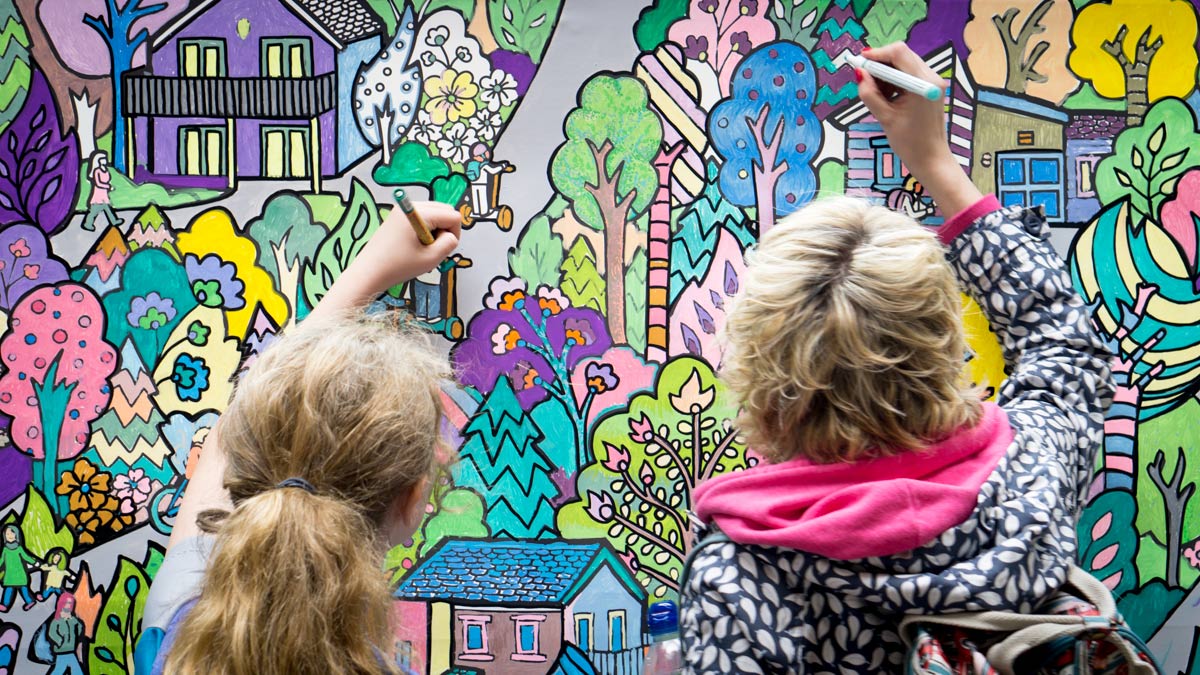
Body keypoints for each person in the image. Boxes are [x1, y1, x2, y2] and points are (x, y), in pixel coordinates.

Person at [678, 43, 1114, 674]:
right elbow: (1062, 338)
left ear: (763, 374)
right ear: (944, 338)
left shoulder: (743, 572)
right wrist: (935, 162)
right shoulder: (1031, 471)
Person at [136, 201, 463, 675]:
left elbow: (227, 439)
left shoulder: (174, 632)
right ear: (414, 500)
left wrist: (366, 272)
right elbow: (234, 440)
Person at [0, 523, 40, 612]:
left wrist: (35, 562)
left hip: (20, 573)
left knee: (24, 589)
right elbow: (2, 560)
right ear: (4, 537)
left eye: (12, 533)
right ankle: (4, 605)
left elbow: (26, 557)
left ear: (16, 535)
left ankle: (30, 601)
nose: (9, 536)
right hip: (10, 575)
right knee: (8, 590)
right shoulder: (5, 550)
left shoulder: (19, 548)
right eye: (7, 534)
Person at [82, 151, 123, 232]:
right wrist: (108, 187)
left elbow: (107, 180)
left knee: (107, 208)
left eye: (105, 158)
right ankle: (88, 224)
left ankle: (114, 221)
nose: (105, 160)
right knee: (94, 211)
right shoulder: (97, 171)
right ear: (99, 160)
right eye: (103, 158)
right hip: (98, 194)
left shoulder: (106, 170)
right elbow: (98, 183)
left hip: (104, 194)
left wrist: (108, 187)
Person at [47, 593, 84, 675]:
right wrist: (60, 641)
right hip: (62, 650)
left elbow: (80, 628)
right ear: (61, 603)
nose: (68, 605)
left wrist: (72, 619)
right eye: (66, 603)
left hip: (70, 650)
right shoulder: (57, 620)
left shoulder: (72, 619)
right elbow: (52, 632)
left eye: (70, 603)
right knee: (61, 670)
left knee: (71, 670)